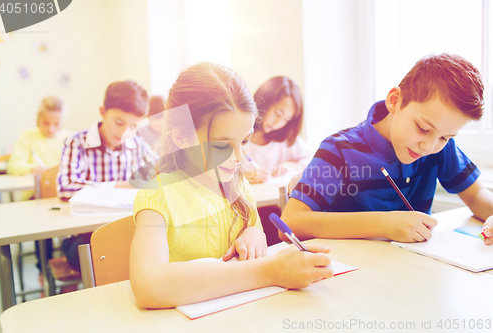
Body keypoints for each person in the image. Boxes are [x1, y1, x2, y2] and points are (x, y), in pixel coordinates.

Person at [130, 62, 334, 309]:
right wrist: (269, 271)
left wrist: (255, 233)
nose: (239, 156)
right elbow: (149, 286)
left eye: (245, 140)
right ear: (182, 137)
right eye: (221, 145)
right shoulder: (158, 196)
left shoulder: (239, 187)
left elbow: (255, 233)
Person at [282, 53, 493, 245]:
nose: (429, 146)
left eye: (446, 137)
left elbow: (476, 196)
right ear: (394, 101)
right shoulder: (339, 150)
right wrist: (384, 223)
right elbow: (290, 224)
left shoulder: (439, 147)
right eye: (422, 128)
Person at [57, 80, 156, 274]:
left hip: (127, 228)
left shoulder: (137, 144)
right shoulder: (77, 142)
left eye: (133, 126)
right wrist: (120, 185)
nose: (123, 132)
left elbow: (161, 174)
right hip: (84, 235)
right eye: (119, 122)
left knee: (154, 250)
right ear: (103, 112)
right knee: (112, 259)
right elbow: (65, 186)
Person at [243, 76, 313, 184]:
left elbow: (313, 160)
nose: (278, 123)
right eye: (277, 113)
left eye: (286, 119)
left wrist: (289, 167)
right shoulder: (238, 133)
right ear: (262, 101)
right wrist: (241, 177)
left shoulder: (283, 140)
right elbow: (213, 172)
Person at [7, 96, 71, 200]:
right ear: (38, 118)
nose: (51, 129)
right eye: (46, 123)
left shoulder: (69, 138)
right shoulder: (27, 137)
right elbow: (13, 166)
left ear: (62, 121)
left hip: (62, 196)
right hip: (35, 196)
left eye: (56, 124)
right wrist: (32, 169)